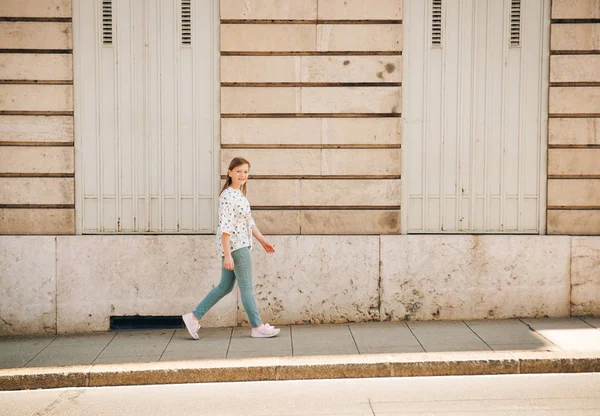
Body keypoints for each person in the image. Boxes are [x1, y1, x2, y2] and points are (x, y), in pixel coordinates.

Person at [182, 157, 281, 339]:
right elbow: (225, 228)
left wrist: (263, 241)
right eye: (238, 171)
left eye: (245, 171)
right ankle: (257, 327)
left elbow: (249, 222)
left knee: (224, 287)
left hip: (238, 246)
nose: (242, 175)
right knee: (246, 287)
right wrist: (228, 255)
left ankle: (194, 317)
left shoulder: (239, 195)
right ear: (230, 173)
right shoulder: (228, 196)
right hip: (237, 248)